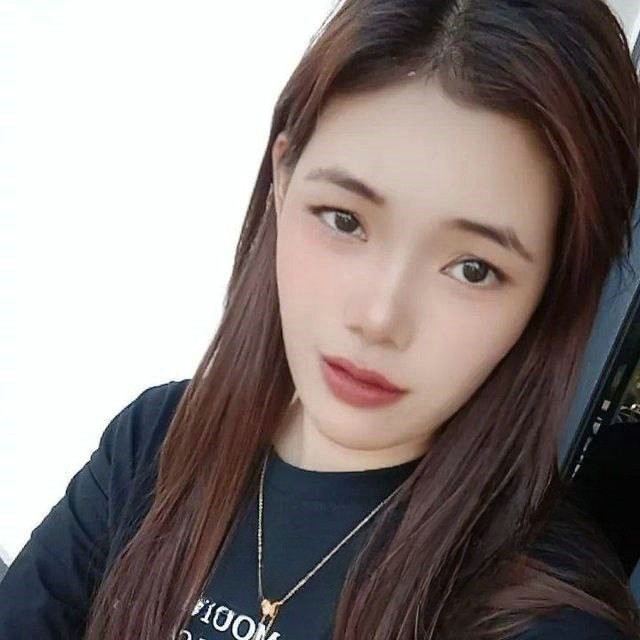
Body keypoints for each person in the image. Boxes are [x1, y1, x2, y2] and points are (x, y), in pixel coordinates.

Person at [1, 0, 640, 638]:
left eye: (473, 268)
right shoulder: (156, 443)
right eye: (345, 220)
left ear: (550, 291)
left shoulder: (544, 620)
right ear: (283, 180)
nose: (379, 318)